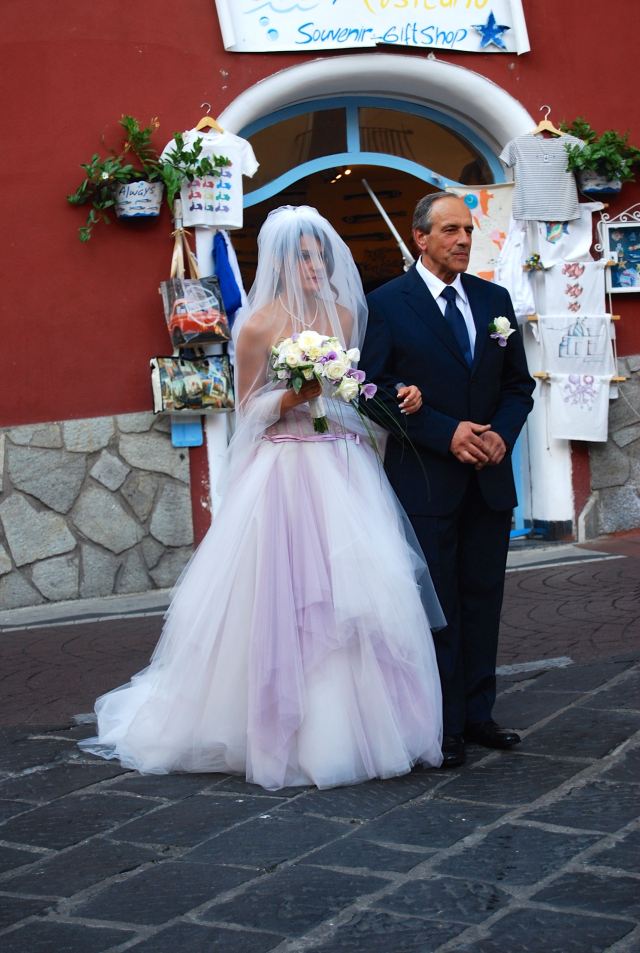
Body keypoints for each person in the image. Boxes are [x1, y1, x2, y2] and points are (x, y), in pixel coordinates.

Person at [80, 206, 445, 791]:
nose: (313, 265)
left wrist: (380, 396)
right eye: (301, 255)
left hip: (341, 465)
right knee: (289, 598)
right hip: (285, 470)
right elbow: (246, 411)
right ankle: (280, 727)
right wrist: (291, 395)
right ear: (278, 261)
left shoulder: (346, 315)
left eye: (319, 254)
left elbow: (350, 392)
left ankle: (364, 728)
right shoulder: (256, 327)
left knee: (357, 600)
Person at [360, 192, 535, 769]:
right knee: (440, 607)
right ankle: (443, 723)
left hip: (489, 477)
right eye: (451, 231)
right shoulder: (386, 303)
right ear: (421, 237)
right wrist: (445, 431)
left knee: (484, 598)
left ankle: (480, 715)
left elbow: (518, 387)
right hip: (427, 482)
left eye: (468, 230)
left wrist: (500, 436)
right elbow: (372, 391)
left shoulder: (494, 300)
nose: (463, 240)